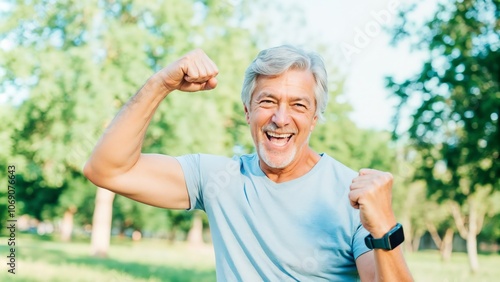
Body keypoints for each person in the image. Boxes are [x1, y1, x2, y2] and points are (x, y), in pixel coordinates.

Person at [84, 45, 413, 281]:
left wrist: (385, 226)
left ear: (314, 118)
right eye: (267, 101)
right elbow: (107, 169)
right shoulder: (218, 179)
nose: (280, 118)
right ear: (247, 112)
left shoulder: (352, 196)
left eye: (298, 105)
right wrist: (161, 84)